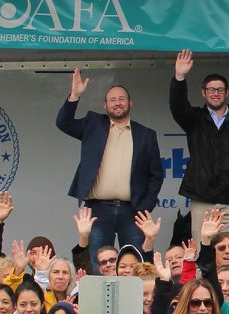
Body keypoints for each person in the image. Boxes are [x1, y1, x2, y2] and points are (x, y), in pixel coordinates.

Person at [57, 71, 165, 259]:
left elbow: (156, 174)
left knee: (136, 265)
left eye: (122, 99)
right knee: (98, 265)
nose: (117, 103)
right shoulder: (93, 124)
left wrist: (146, 206)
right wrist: (75, 96)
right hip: (97, 208)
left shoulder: (146, 134)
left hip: (132, 210)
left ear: (130, 103)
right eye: (112, 100)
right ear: (105, 105)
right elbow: (63, 123)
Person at [171, 50, 229, 238]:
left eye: (220, 89)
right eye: (211, 90)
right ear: (203, 93)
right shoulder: (195, 119)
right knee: (201, 253)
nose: (216, 93)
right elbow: (177, 106)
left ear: (227, 93)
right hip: (202, 200)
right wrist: (179, 77)